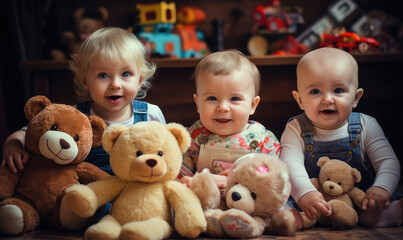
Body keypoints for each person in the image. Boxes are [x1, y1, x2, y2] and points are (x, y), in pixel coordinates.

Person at [2, 27, 166, 175]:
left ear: (139, 80)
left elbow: (168, 154)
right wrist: (13, 145)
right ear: (85, 82)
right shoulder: (74, 116)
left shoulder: (151, 115)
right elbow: (28, 132)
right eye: (103, 75)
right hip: (90, 199)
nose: (115, 84)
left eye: (125, 74)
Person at [280, 47, 401, 227]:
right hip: (310, 204)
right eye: (315, 91)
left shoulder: (366, 125)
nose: (327, 99)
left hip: (360, 203)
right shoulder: (295, 128)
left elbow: (388, 161)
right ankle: (290, 220)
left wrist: (381, 188)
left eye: (338, 90)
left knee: (374, 213)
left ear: (356, 98)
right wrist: (305, 193)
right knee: (283, 208)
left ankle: (391, 212)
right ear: (299, 100)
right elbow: (289, 164)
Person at [178, 49, 281, 190]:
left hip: (250, 204)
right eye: (212, 98)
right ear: (198, 104)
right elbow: (180, 178)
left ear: (252, 105)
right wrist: (191, 181)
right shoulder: (193, 138)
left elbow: (275, 177)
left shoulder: (264, 140)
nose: (223, 107)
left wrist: (238, 178)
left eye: (235, 99)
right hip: (204, 203)